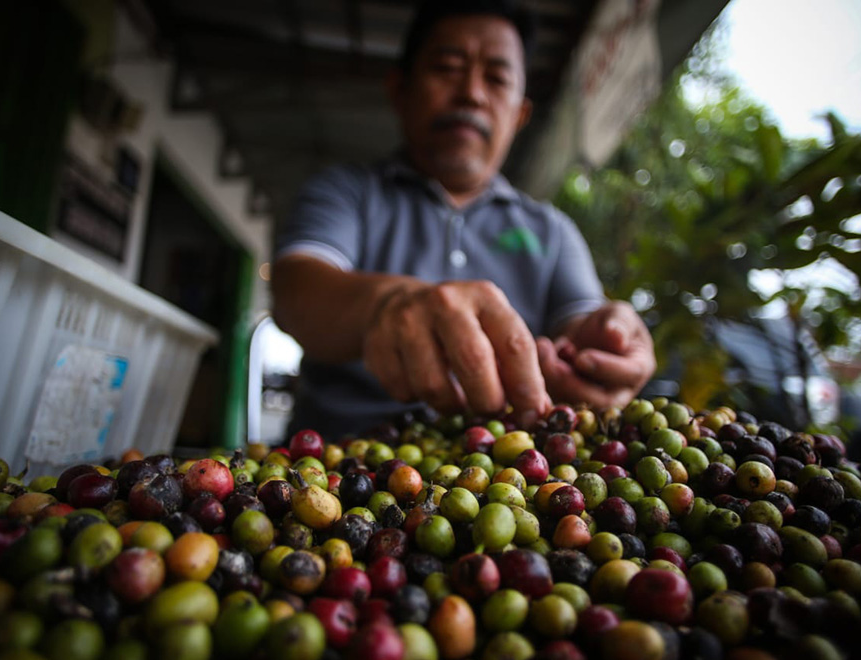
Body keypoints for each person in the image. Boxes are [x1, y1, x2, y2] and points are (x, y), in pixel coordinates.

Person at [271, 0, 655, 440]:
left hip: (506, 477)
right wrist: (388, 305)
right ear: (400, 89)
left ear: (520, 114)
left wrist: (608, 344)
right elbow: (296, 289)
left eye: (497, 78)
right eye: (448, 67)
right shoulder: (346, 192)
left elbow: (582, 325)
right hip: (335, 472)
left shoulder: (552, 231)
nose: (471, 93)